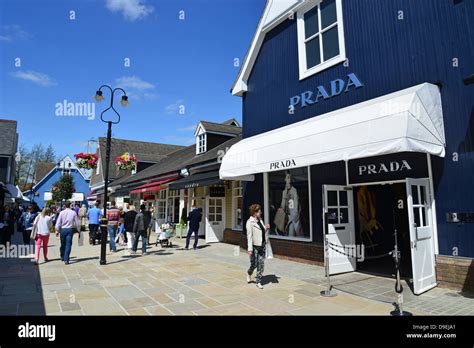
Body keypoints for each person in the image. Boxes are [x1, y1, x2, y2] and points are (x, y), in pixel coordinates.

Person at [246, 204, 270, 289]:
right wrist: (249, 249)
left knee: (261, 264)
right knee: (254, 264)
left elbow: (262, 231)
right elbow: (249, 236)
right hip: (254, 246)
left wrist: (266, 228)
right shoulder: (250, 222)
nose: (261, 213)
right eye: (259, 211)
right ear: (255, 213)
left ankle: (258, 281)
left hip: (262, 245)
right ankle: (249, 273)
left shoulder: (261, 220)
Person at [277, 172, 303, 237]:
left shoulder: (294, 190)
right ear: (285, 179)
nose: (289, 180)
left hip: (293, 215)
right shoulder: (284, 191)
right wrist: (281, 212)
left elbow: (296, 203)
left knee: (296, 233)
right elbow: (283, 203)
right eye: (287, 178)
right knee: (289, 234)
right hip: (287, 215)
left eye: (290, 178)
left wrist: (296, 214)